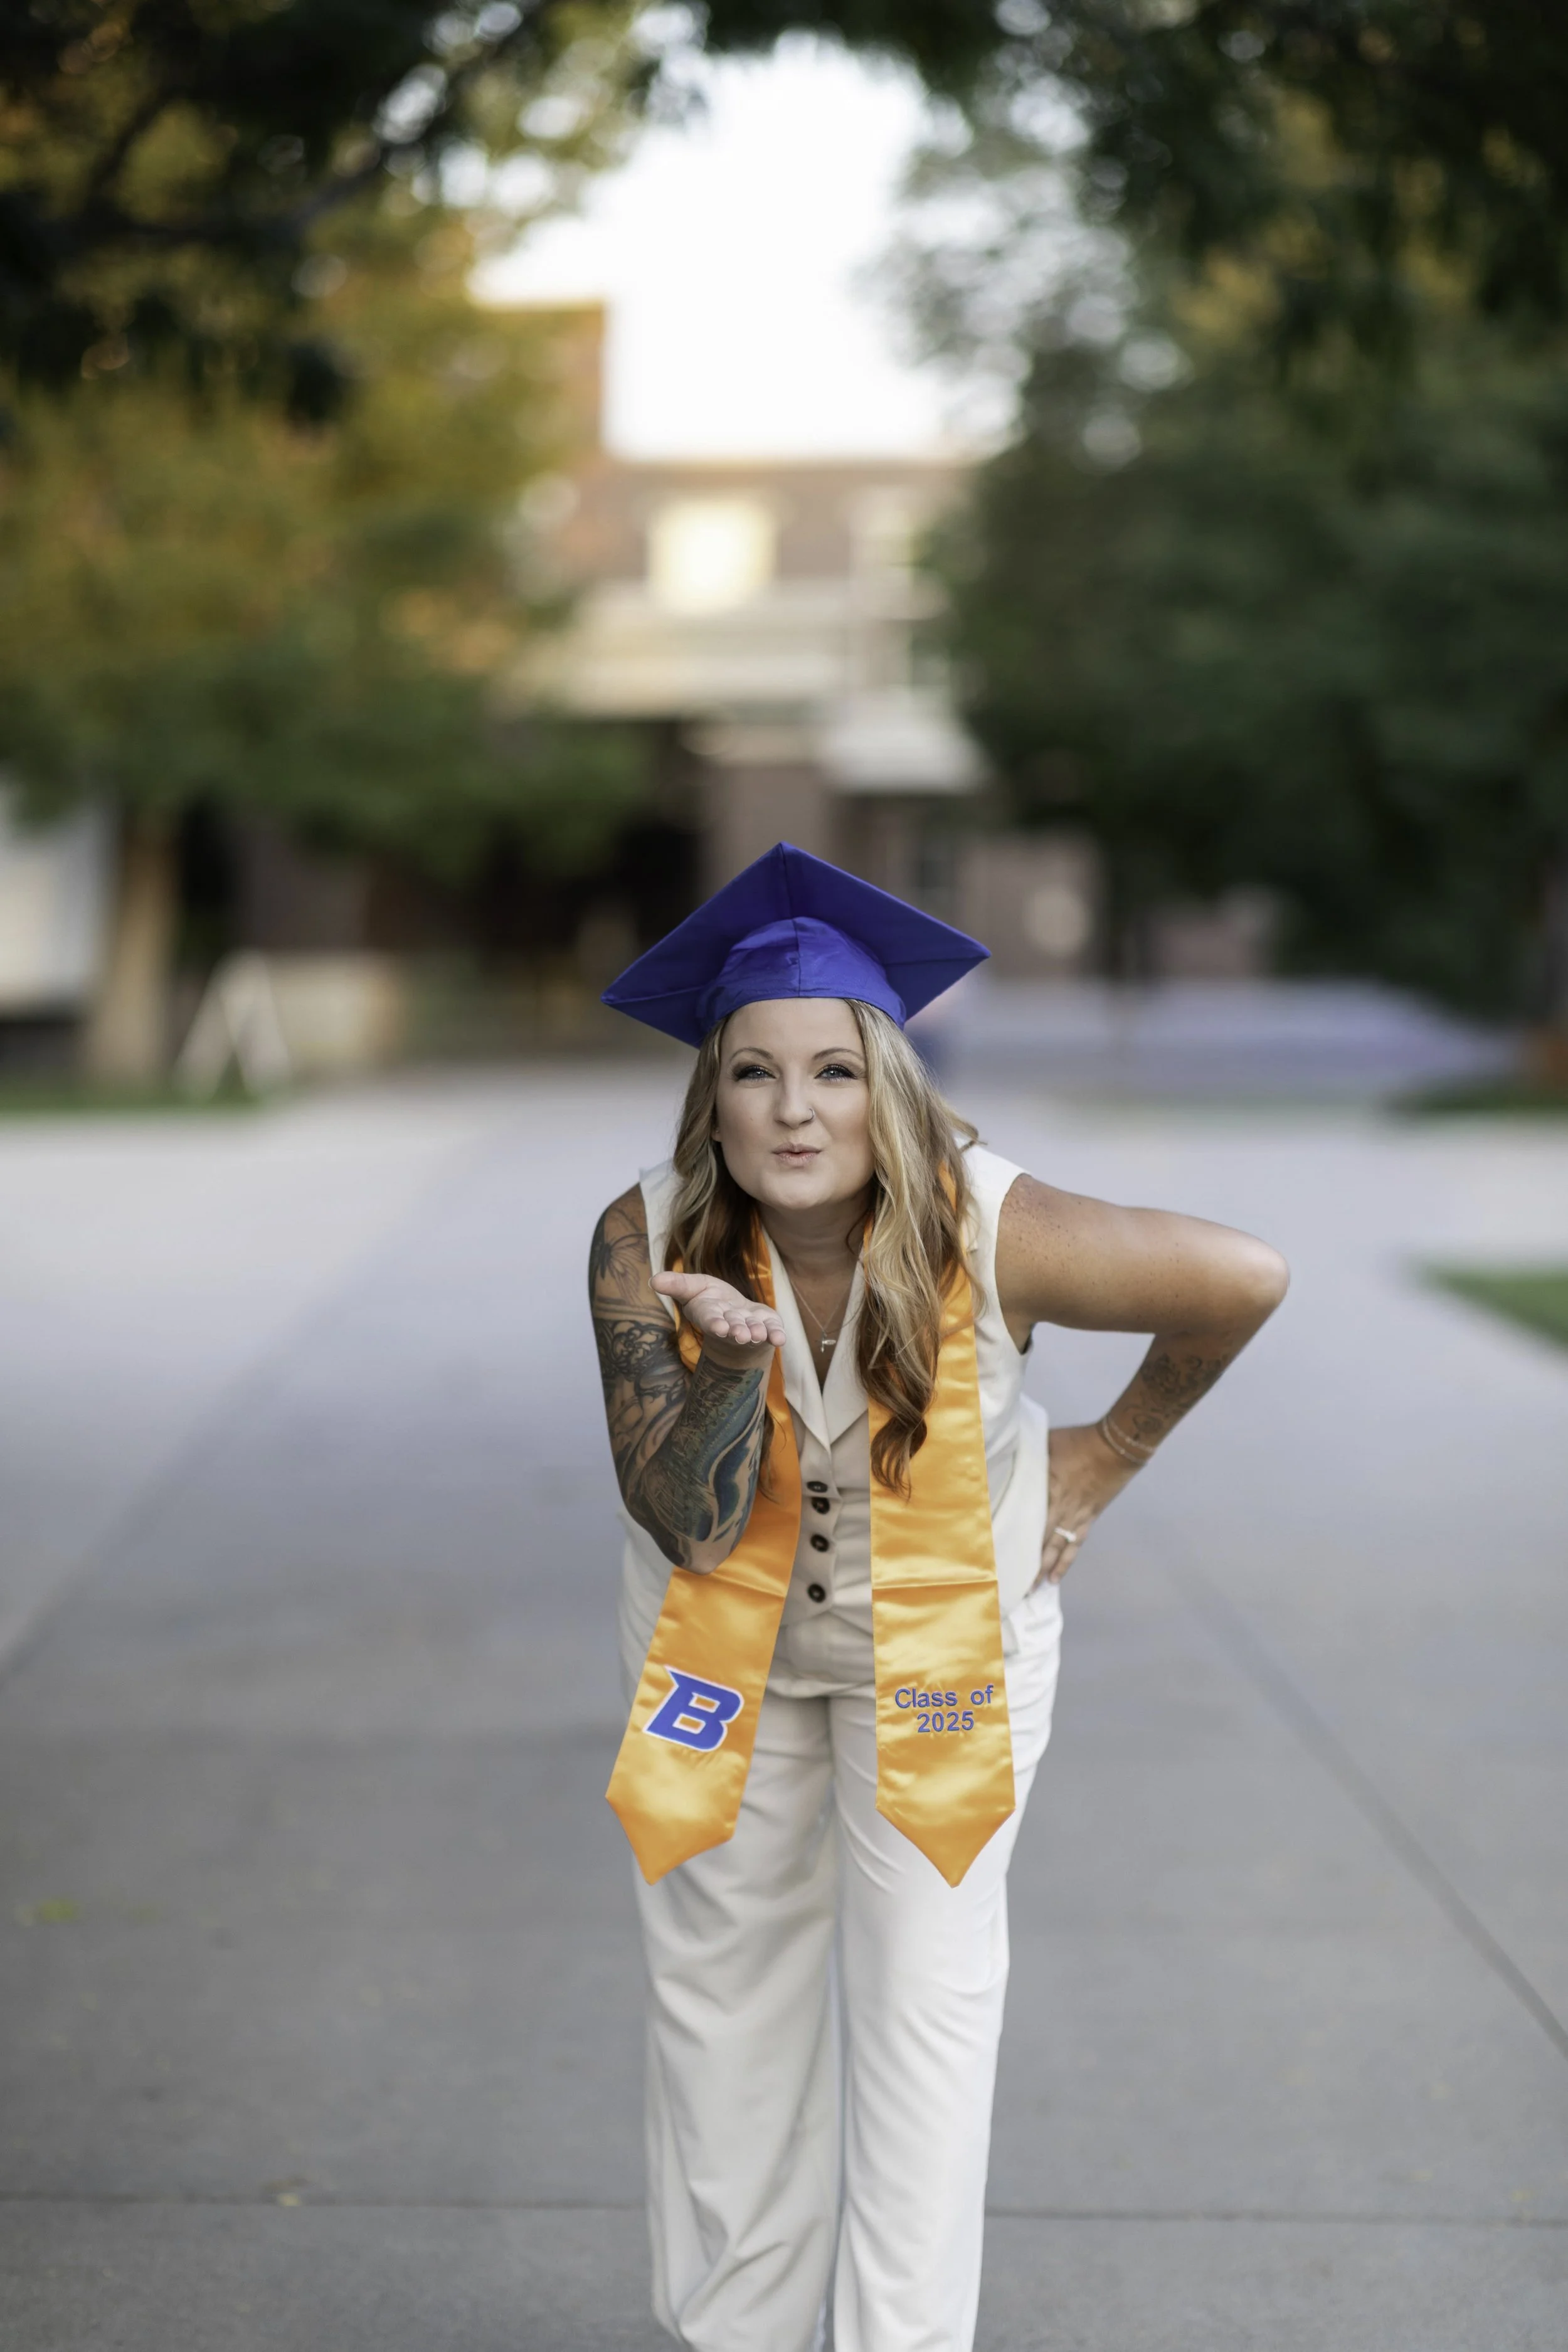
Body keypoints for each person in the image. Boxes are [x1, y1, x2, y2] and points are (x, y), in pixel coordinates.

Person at [588, 842, 1288, 2352]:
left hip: (946, 1657)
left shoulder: (991, 1223)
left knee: (922, 2024)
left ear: (886, 1082)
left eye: (832, 1071)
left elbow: (1239, 1275)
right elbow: (681, 1512)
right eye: (753, 1072)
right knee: (723, 2023)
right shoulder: (642, 1237)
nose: (792, 1110)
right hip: (725, 1659)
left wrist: (1108, 1452)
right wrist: (719, 1366)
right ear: (708, 1091)